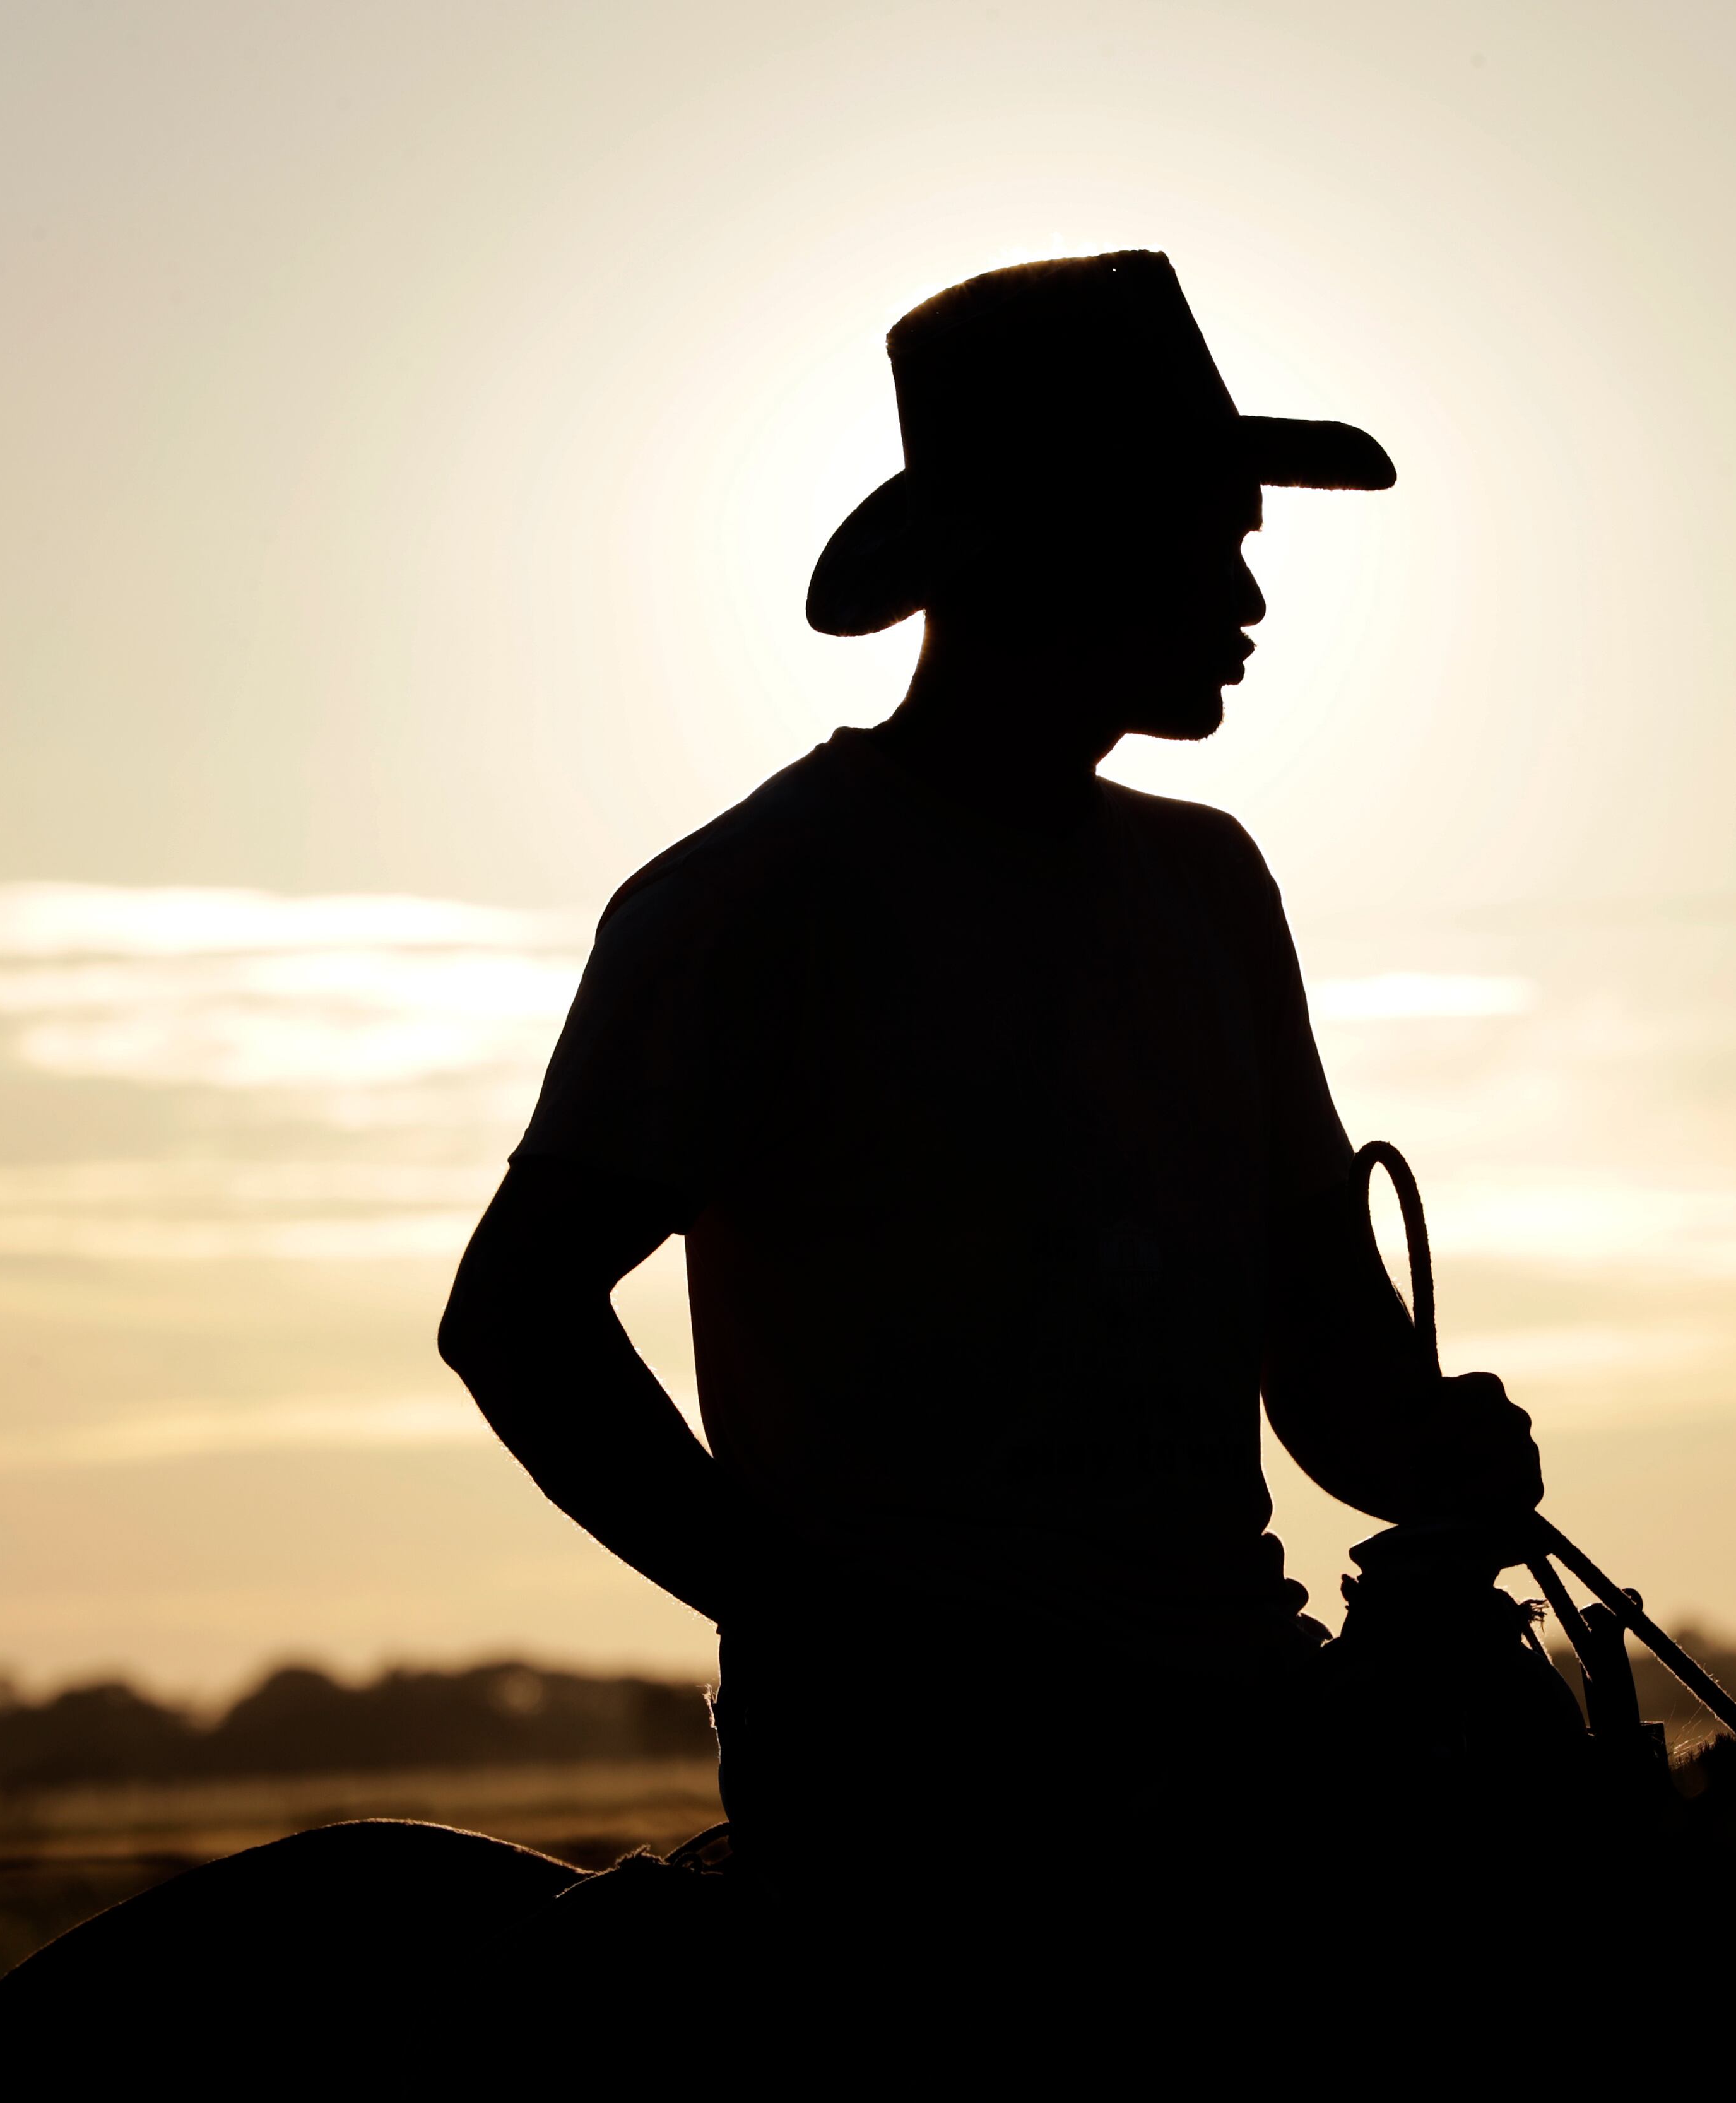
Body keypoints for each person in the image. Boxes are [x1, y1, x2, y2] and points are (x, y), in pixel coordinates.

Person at [437, 252, 1542, 1941]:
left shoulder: (1212, 890)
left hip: (1244, 1721)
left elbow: (1335, 1377)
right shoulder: (755, 903)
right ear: (1072, 537)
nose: (1252, 594)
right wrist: (822, 1627)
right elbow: (514, 1318)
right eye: (1217, 533)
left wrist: (1437, 1452)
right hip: (920, 1801)